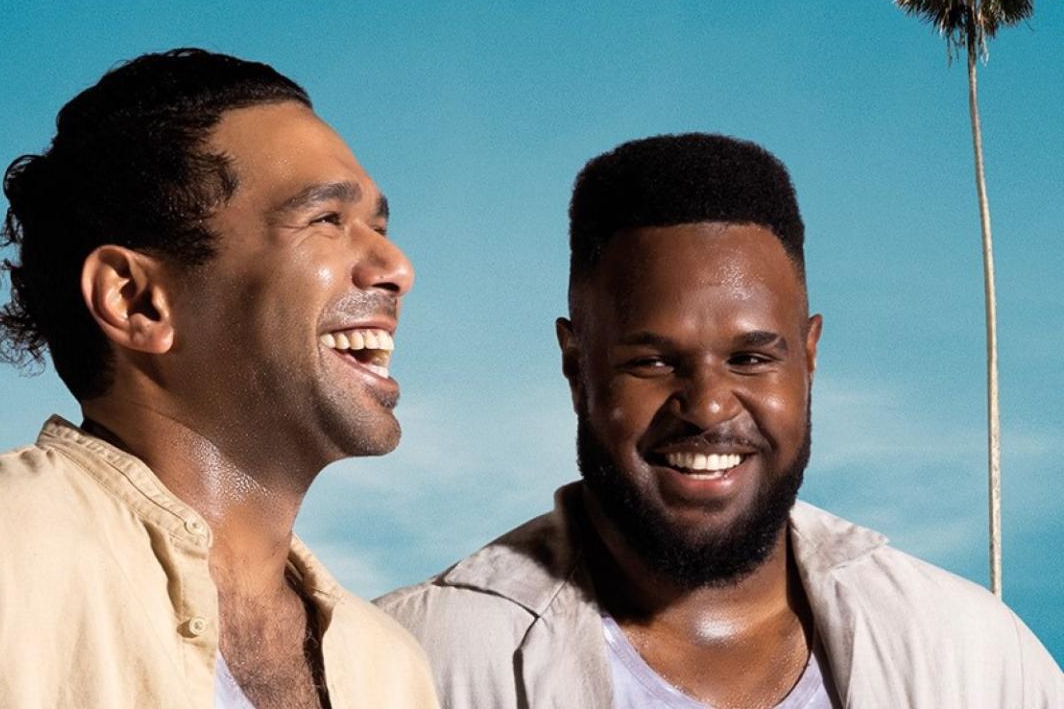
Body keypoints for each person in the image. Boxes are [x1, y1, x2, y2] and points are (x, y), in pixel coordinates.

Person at [377, 134, 1063, 708]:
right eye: (651, 361)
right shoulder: (411, 666)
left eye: (750, 357)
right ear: (575, 365)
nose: (707, 406)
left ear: (810, 356)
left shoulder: (975, 658)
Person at [0, 49, 439, 709]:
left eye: (380, 227)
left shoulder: (391, 672)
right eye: (326, 220)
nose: (397, 267)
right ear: (137, 301)